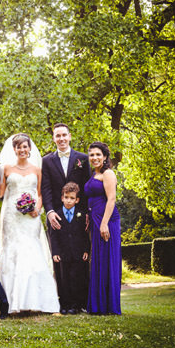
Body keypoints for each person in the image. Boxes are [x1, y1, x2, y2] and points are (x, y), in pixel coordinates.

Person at [0, 132, 59, 314]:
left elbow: (40, 193)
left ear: (29, 149)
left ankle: (36, 301)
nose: (22, 150)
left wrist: (36, 208)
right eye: (19, 147)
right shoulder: (6, 169)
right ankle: (10, 302)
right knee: (12, 251)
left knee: (31, 250)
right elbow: (0, 193)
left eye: (25, 147)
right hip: (11, 217)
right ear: (14, 150)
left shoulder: (37, 170)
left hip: (31, 217)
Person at [40, 123, 92, 301]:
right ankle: (63, 301)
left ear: (70, 136)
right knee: (60, 260)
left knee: (80, 259)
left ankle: (82, 301)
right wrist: (49, 212)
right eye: (58, 136)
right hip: (57, 216)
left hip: (78, 217)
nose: (61, 139)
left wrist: (86, 212)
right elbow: (45, 188)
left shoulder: (83, 159)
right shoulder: (46, 161)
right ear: (53, 138)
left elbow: (86, 188)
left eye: (64, 135)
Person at [85, 142, 122, 315]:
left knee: (108, 260)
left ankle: (109, 306)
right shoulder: (94, 173)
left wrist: (104, 223)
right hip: (95, 220)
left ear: (105, 156)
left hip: (107, 220)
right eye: (92, 155)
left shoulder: (108, 173)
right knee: (99, 260)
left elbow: (111, 199)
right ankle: (99, 305)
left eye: (98, 154)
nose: (95, 158)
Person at [48, 182, 89, 314]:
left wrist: (86, 250)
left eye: (72, 198)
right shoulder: (56, 215)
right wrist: (55, 252)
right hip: (63, 253)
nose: (69, 200)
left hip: (78, 252)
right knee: (63, 279)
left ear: (77, 200)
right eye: (66, 197)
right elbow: (53, 235)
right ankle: (65, 305)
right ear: (62, 198)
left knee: (77, 278)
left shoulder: (82, 215)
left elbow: (85, 234)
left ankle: (77, 305)